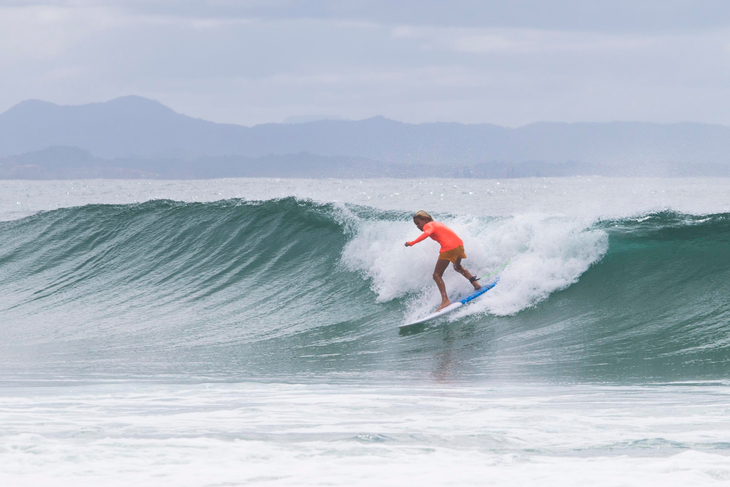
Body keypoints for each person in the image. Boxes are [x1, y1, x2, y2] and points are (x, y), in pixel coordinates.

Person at [405, 210, 481, 311]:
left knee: (436, 275)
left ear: (426, 219)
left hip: (449, 247)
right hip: (459, 245)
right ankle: (475, 283)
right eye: (416, 224)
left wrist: (412, 242)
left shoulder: (428, 225)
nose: (418, 226)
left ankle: (445, 300)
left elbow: (427, 233)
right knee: (457, 267)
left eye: (418, 223)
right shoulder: (438, 223)